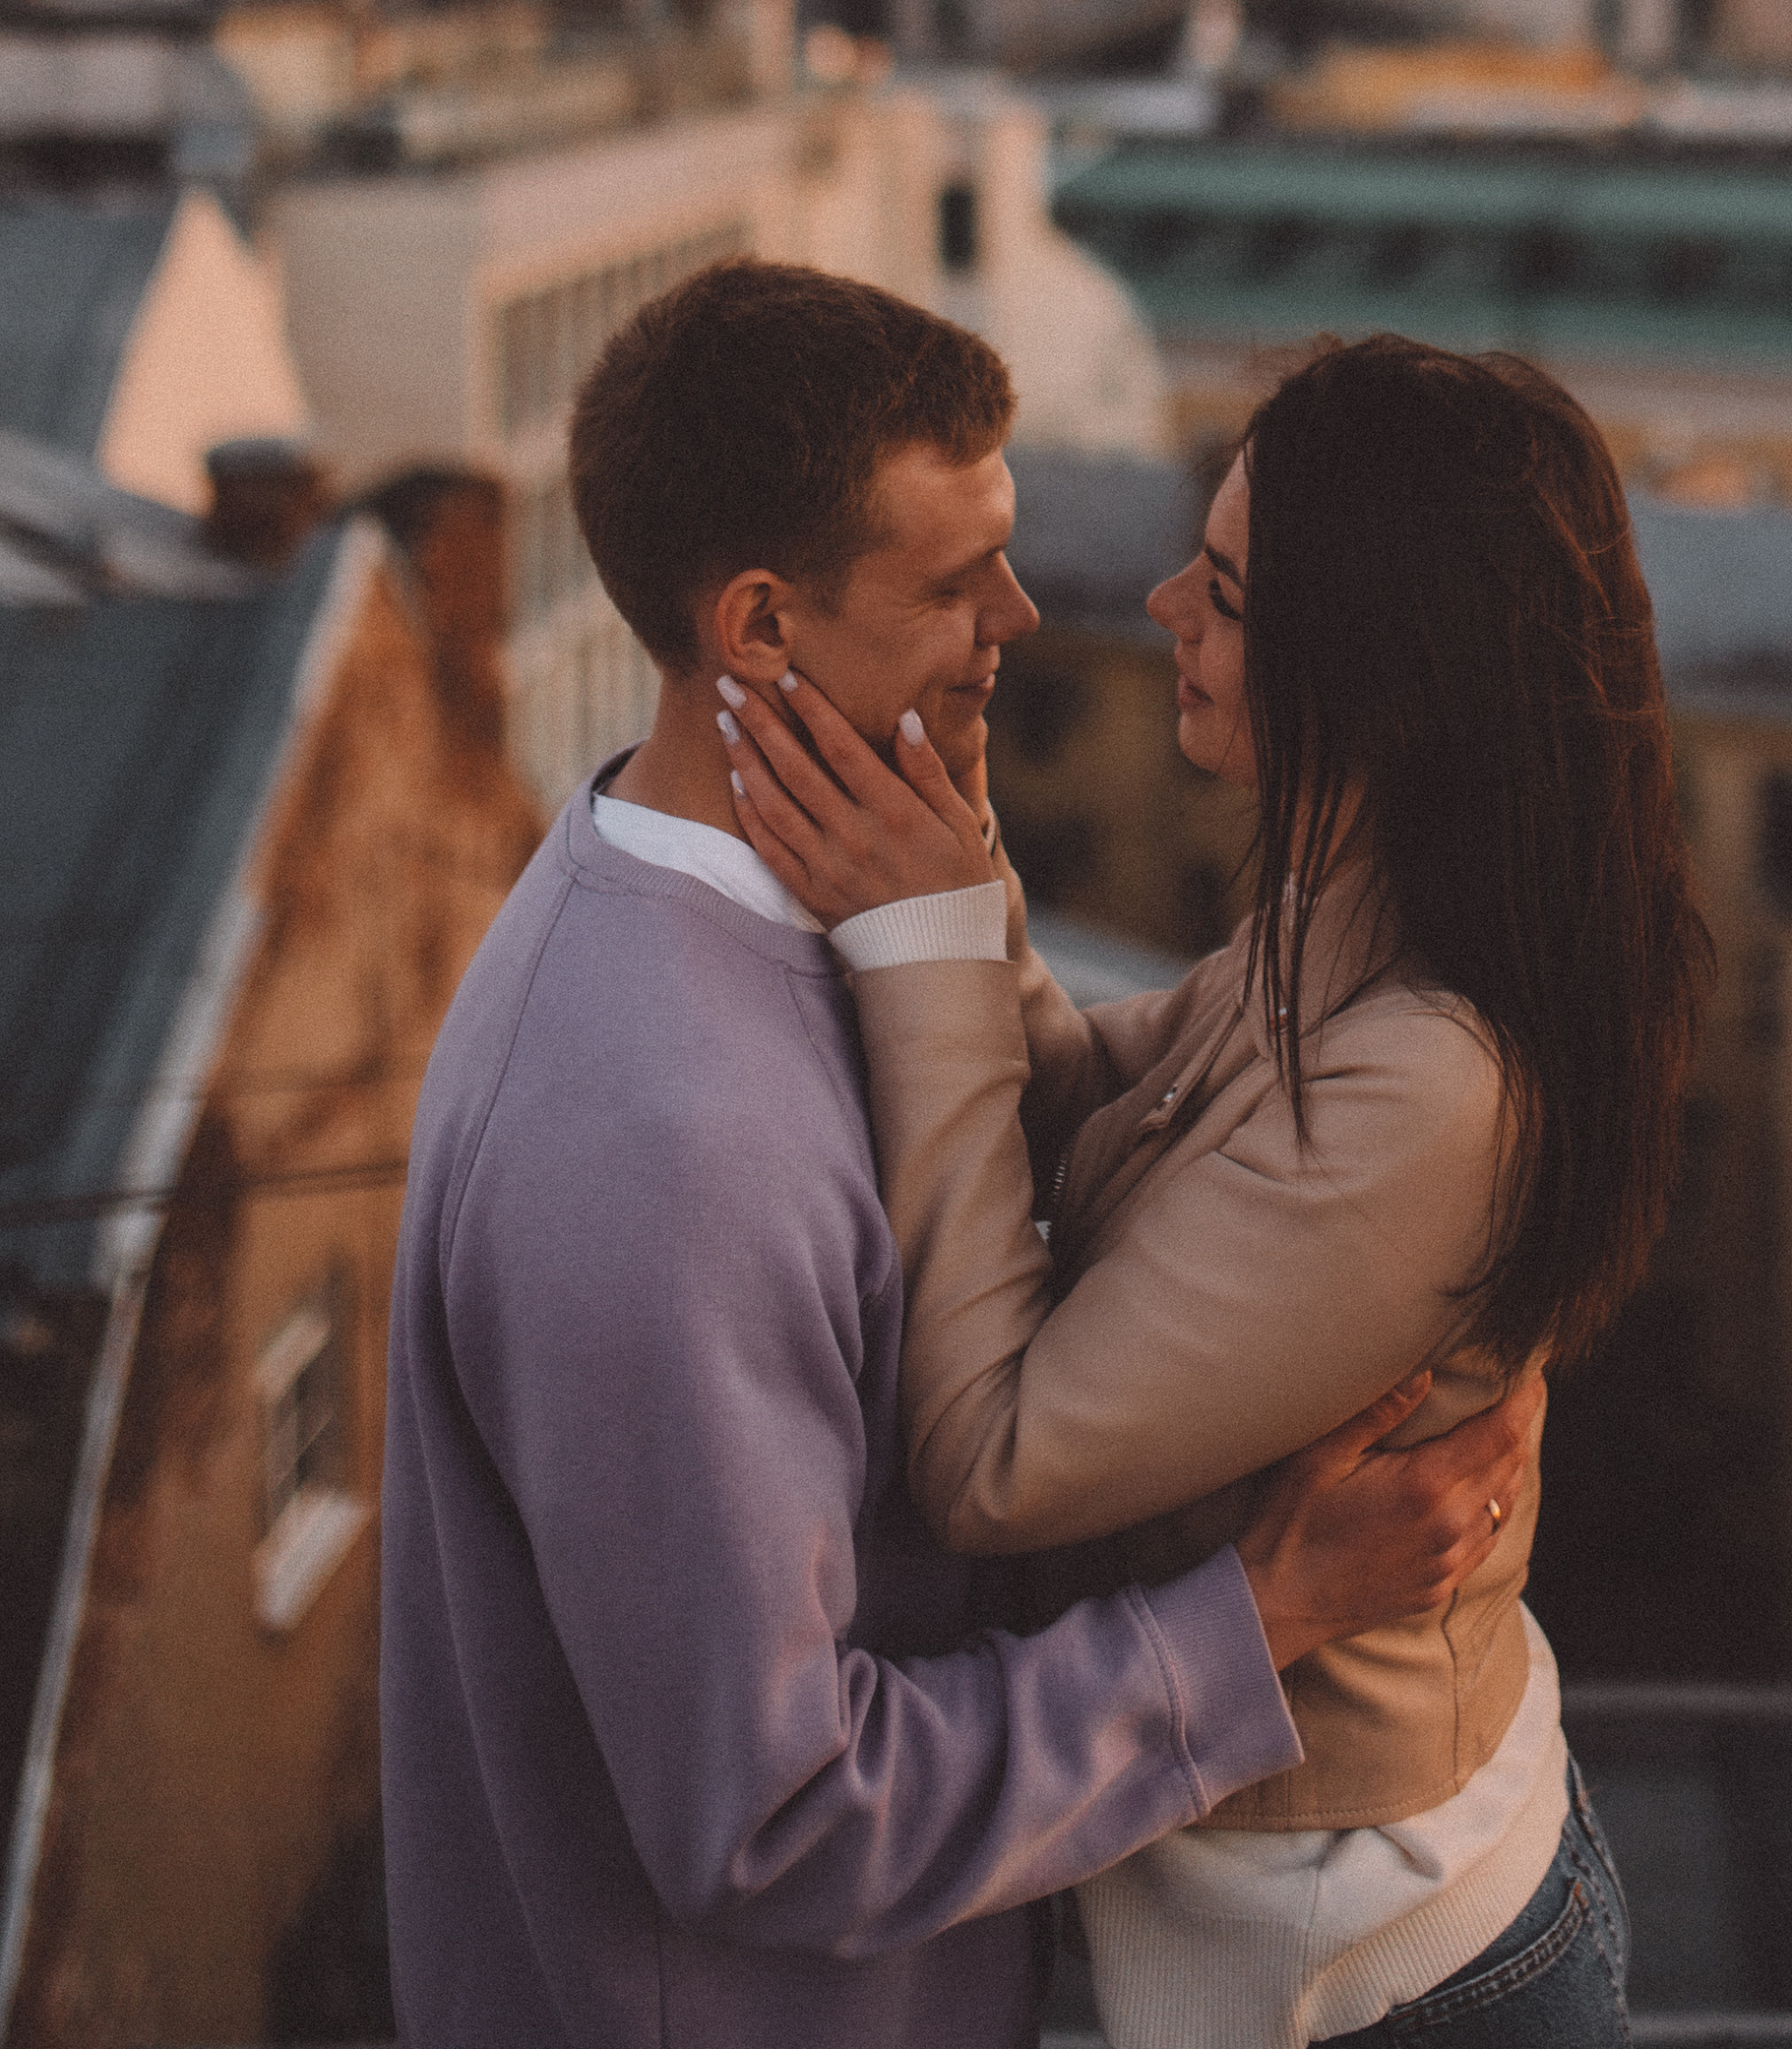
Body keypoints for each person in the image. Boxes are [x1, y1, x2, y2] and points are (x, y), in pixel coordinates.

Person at [383, 266, 1541, 2049]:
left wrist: (959, 898)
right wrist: (1263, 1614)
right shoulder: (657, 1141)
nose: (1026, 610)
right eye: (951, 580)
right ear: (760, 630)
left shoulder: (805, 930)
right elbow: (780, 1822)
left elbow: (1054, 1147)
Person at [722, 331, 1712, 2049]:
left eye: (1234, 591)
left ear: (1383, 679)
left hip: (1385, 1967)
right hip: (1301, 1924)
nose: (1165, 601)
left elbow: (998, 1460)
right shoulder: (1377, 899)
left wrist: (928, 942)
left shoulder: (1436, 1083)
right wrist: (956, 874)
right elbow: (1108, 1102)